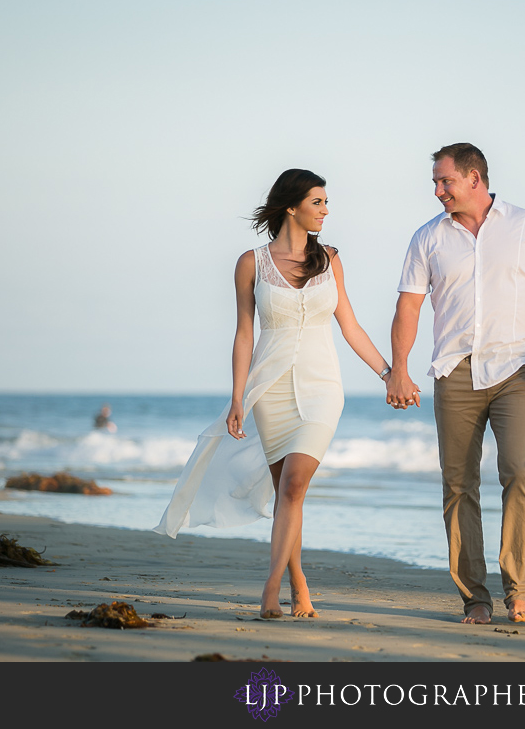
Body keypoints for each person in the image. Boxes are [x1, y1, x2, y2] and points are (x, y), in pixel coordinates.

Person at [154, 169, 392, 620]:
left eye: (326, 202)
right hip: (271, 388)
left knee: (296, 482)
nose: (326, 210)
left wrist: (388, 372)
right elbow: (244, 334)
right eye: (318, 202)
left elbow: (351, 326)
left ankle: (269, 587)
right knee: (289, 493)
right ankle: (299, 583)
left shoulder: (330, 259)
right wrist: (238, 397)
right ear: (291, 206)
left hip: (323, 386)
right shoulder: (252, 263)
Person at [386, 143, 525, 625]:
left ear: (474, 178)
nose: (438, 190)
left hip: (516, 369)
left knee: (519, 471)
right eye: (435, 183)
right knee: (459, 484)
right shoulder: (428, 237)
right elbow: (409, 305)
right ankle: (476, 598)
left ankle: (520, 591)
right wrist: (399, 368)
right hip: (455, 371)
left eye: (445, 181)